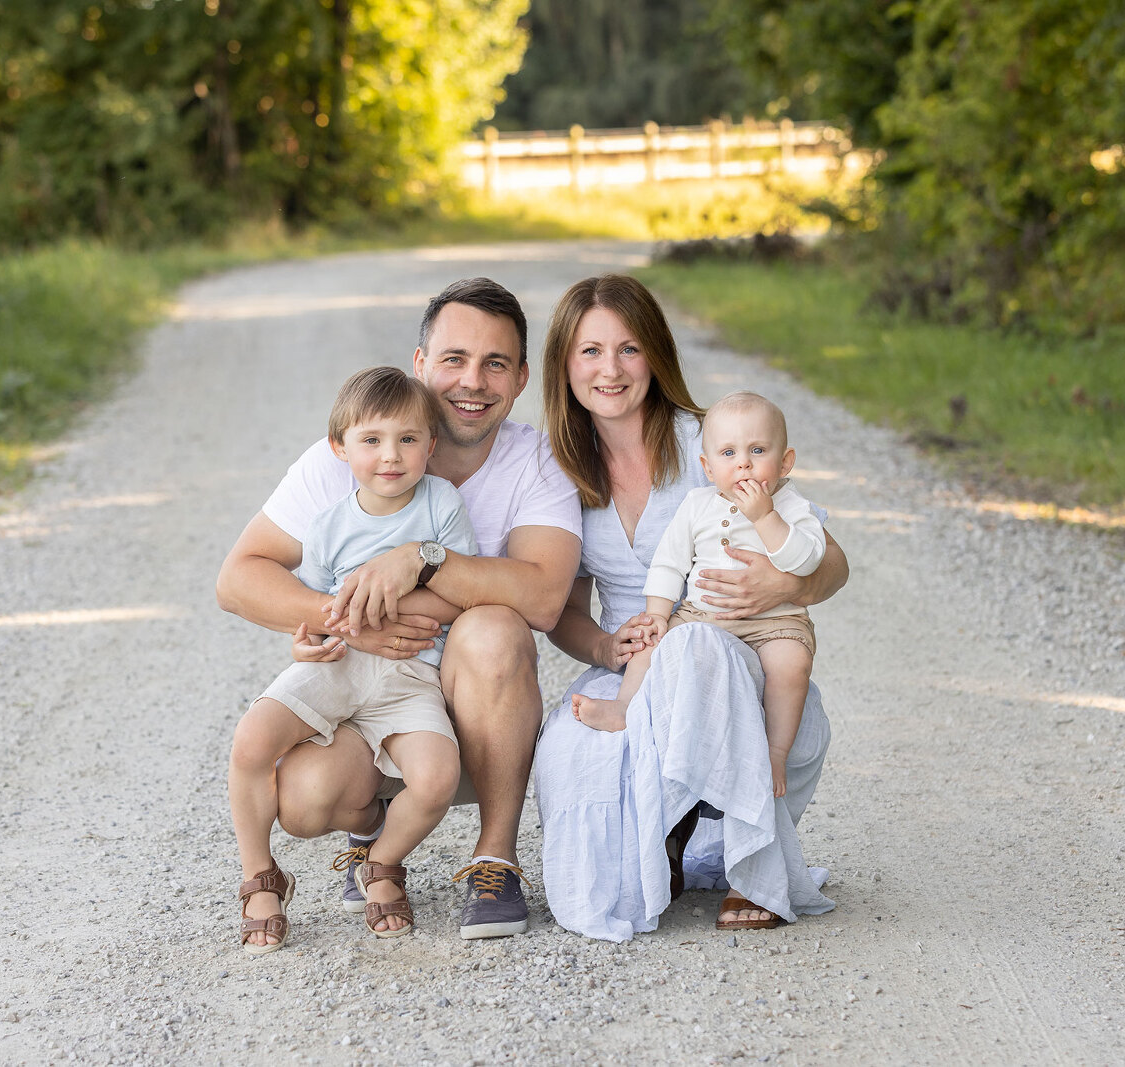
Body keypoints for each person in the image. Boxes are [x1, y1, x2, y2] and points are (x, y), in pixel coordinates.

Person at [216, 278, 582, 940]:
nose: (473, 380)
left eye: (495, 363)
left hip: (464, 707)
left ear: (521, 376)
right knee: (300, 800)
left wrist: (424, 556)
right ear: (420, 363)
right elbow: (238, 578)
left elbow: (546, 596)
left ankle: (493, 856)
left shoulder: (535, 462)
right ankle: (368, 836)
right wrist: (343, 616)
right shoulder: (351, 453)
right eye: (454, 359)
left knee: (496, 626)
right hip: (359, 688)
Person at [535, 274, 849, 942]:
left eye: (628, 348)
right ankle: (661, 848)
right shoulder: (562, 466)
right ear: (564, 364)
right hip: (641, 659)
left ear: (656, 353)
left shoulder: (714, 443)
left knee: (699, 649)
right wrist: (604, 647)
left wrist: (784, 588)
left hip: (742, 657)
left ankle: (753, 865)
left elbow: (832, 563)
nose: (610, 369)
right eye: (590, 351)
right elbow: (560, 606)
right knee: (571, 748)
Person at [231, 367, 478, 950]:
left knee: (437, 778)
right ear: (339, 447)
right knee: (251, 739)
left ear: (430, 445)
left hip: (411, 669)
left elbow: (461, 591)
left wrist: (402, 602)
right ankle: (260, 877)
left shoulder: (441, 503)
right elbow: (317, 609)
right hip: (338, 663)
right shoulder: (328, 526)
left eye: (408, 439)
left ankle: (383, 862)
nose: (391, 456)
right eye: (372, 440)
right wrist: (304, 641)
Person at [570, 390, 825, 802]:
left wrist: (766, 518)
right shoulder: (697, 504)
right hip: (701, 615)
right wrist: (656, 613)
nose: (742, 463)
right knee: (651, 648)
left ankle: (775, 753)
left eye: (757, 450)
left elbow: (807, 559)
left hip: (774, 622)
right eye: (728, 453)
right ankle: (624, 707)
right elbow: (670, 562)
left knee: (792, 666)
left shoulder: (791, 506)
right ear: (707, 467)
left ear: (785, 462)